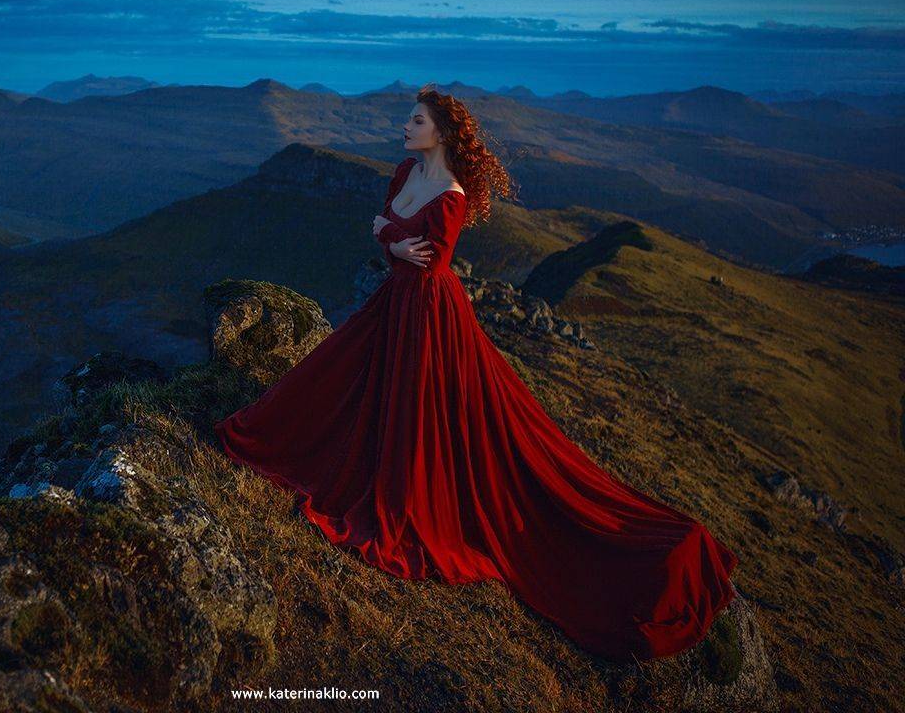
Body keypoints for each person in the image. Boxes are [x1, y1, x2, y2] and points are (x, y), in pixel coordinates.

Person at [213, 83, 738, 661]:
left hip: (431, 315)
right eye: (409, 119)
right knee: (341, 382)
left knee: (435, 416)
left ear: (439, 132)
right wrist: (388, 237)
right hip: (396, 303)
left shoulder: (453, 196)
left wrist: (384, 233)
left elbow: (428, 258)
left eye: (415, 120)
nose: (406, 126)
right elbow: (394, 251)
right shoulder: (403, 176)